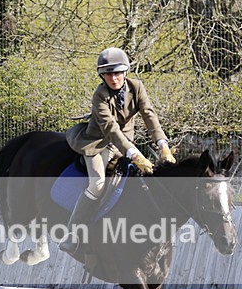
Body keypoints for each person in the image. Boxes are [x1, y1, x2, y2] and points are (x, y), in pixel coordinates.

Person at [60, 47, 175, 255]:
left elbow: (149, 115)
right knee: (98, 184)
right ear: (102, 76)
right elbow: (111, 129)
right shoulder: (100, 95)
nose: (113, 78)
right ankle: (73, 234)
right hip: (98, 142)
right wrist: (134, 153)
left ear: (125, 72)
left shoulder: (137, 86)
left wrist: (162, 144)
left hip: (126, 141)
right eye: (108, 74)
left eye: (117, 72)